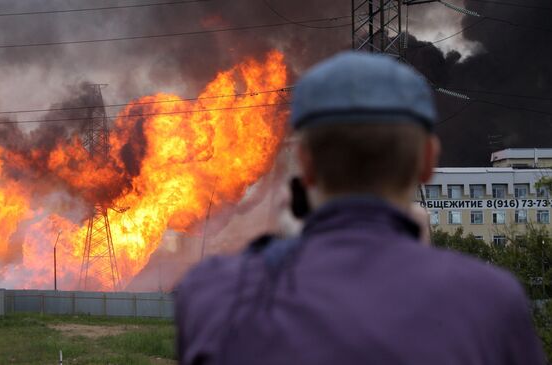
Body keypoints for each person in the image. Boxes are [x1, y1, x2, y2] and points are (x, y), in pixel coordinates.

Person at [174, 51, 546, 365]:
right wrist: (428, 265)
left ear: (304, 161)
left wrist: (282, 252)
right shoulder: (490, 302)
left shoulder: (214, 293)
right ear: (428, 160)